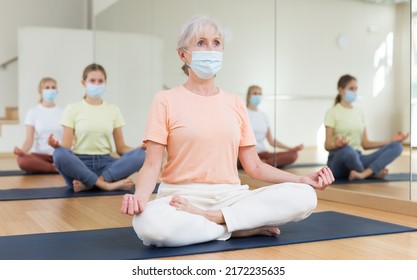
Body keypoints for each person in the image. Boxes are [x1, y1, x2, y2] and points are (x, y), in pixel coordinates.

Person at [120, 15, 334, 248]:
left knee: (305, 196)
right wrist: (140, 198)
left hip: (231, 198)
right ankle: (235, 228)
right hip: (180, 198)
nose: (210, 48)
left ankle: (216, 220)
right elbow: (152, 164)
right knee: (148, 225)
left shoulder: (235, 102)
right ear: (183, 54)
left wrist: (301, 179)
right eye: (201, 43)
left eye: (216, 42)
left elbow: (255, 166)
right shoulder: (165, 100)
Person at [48, 63, 146, 192]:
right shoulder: (72, 108)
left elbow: (121, 148)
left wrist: (139, 148)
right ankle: (106, 185)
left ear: (105, 83)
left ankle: (90, 183)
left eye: (100, 81)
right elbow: (66, 147)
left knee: (141, 155)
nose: (96, 84)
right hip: (80, 165)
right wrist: (57, 146)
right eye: (92, 80)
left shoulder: (113, 110)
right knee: (59, 154)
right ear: (84, 83)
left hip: (106, 165)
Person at [324, 74, 408, 180]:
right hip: (338, 160)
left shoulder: (359, 112)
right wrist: (336, 145)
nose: (354, 91)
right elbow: (327, 145)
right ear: (341, 90)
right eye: (351, 88)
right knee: (348, 151)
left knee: (397, 146)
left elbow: (365, 144)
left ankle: (362, 174)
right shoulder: (332, 112)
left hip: (358, 157)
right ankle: (371, 173)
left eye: (356, 89)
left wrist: (392, 140)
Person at [245, 85, 304, 168]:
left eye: (260, 94)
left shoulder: (263, 116)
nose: (257, 96)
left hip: (263, 154)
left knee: (293, 155)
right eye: (255, 93)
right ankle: (259, 164)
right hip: (248, 155)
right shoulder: (243, 113)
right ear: (248, 96)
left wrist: (291, 148)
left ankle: (263, 164)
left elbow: (271, 141)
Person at [13, 77, 63, 173]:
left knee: (80, 159)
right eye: (47, 88)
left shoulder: (64, 111)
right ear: (40, 91)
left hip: (60, 155)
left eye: (53, 87)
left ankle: (50, 167)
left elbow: (70, 139)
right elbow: (29, 140)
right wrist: (22, 152)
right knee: (22, 160)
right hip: (39, 156)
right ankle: (54, 168)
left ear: (57, 91)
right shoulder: (33, 112)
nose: (50, 90)